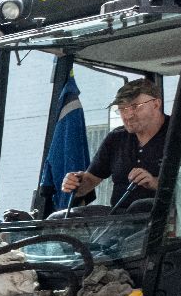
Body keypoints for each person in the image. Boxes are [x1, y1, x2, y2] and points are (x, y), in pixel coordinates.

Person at [62, 78, 168, 207]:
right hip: (118, 222)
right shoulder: (116, 138)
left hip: (167, 220)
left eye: (135, 107)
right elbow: (90, 180)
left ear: (156, 104)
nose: (128, 115)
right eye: (122, 109)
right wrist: (75, 182)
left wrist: (155, 183)